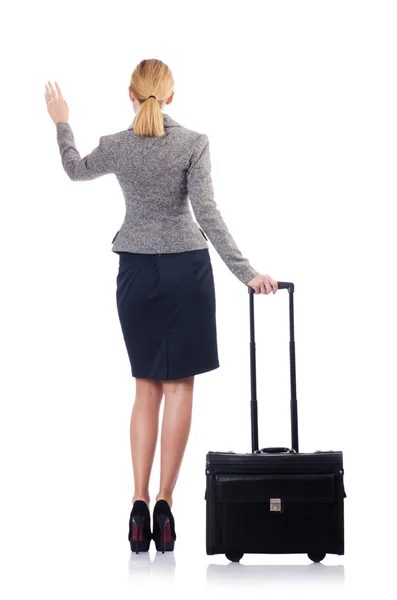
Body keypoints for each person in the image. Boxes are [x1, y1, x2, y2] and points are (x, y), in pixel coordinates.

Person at [45, 58, 278, 554]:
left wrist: (62, 121)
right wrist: (247, 271)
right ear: (171, 97)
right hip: (186, 273)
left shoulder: (117, 146)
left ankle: (137, 502)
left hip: (136, 273)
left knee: (145, 388)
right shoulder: (193, 143)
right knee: (179, 388)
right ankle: (166, 506)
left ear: (129, 93)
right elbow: (208, 214)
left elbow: (72, 170)